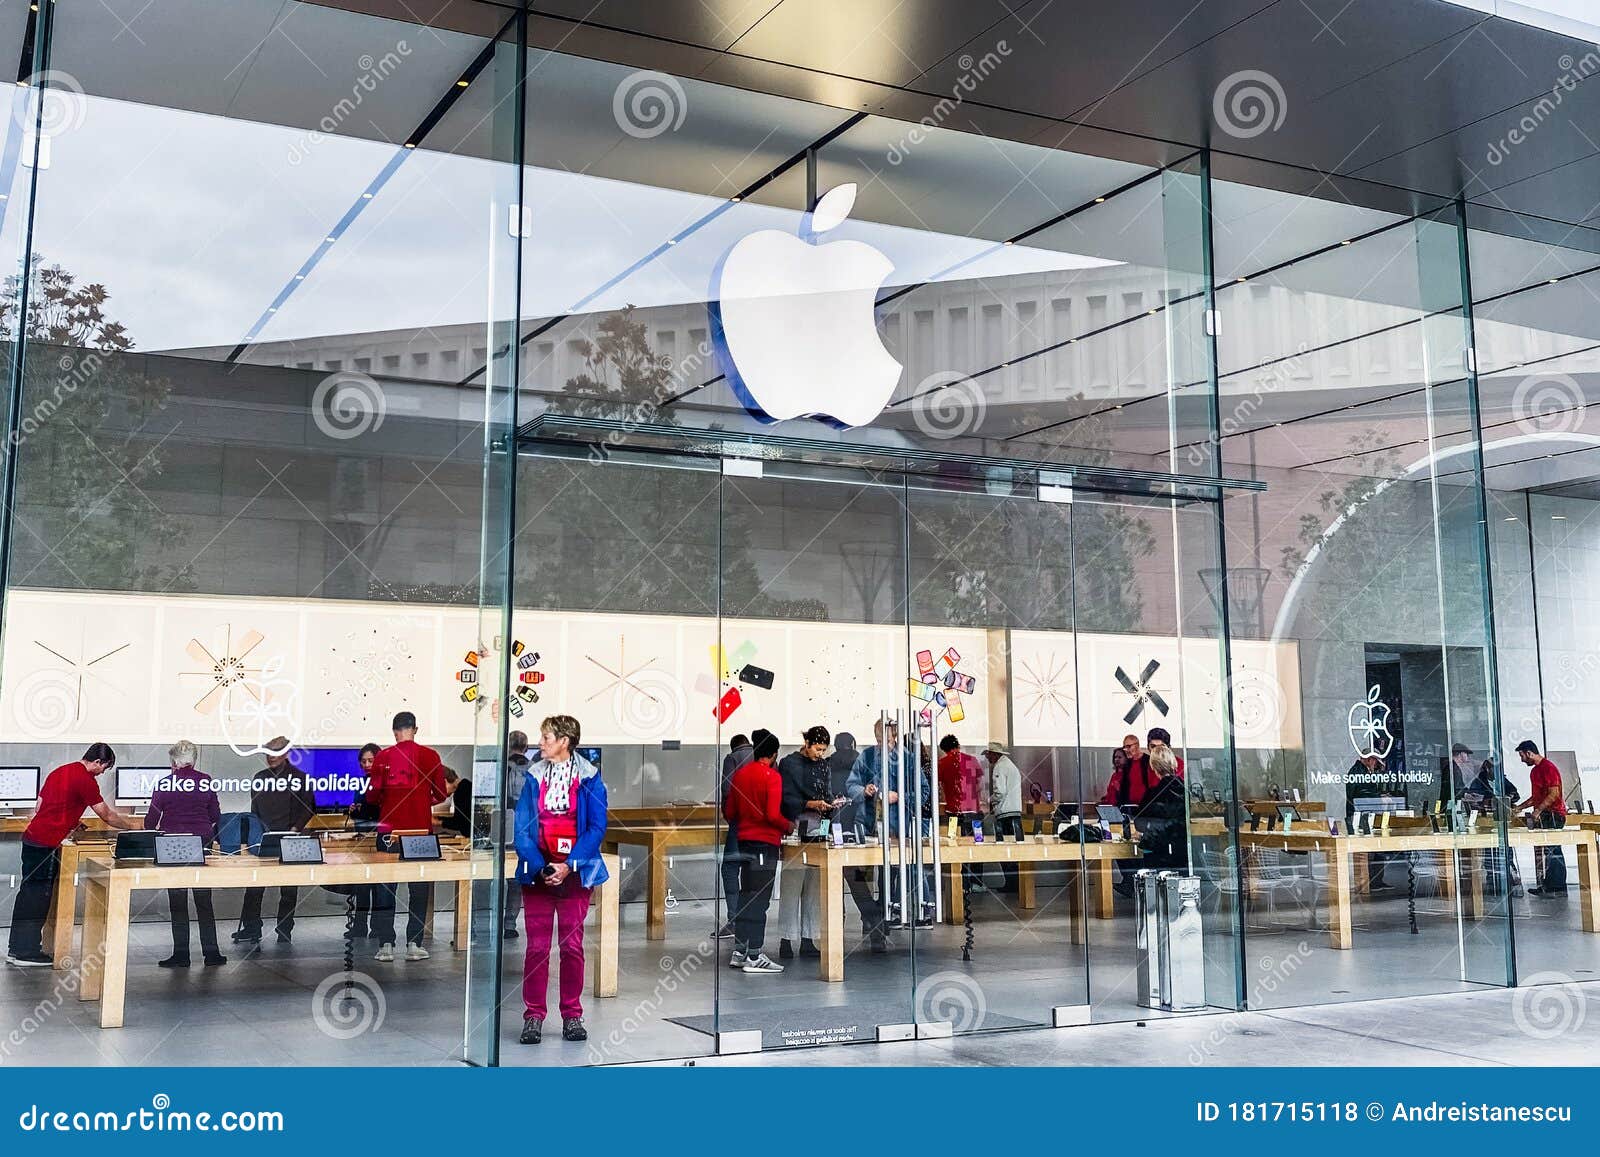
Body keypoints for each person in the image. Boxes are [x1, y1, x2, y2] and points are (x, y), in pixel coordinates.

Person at [513, 714, 609, 1045]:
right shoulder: (532, 778)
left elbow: (597, 827)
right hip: (537, 875)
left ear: (564, 741)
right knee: (537, 948)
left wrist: (569, 865)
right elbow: (522, 828)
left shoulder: (591, 779)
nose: (540, 743)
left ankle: (572, 1015)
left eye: (546, 738)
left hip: (576, 875)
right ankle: (533, 1017)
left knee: (573, 946)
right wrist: (540, 866)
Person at [6, 743, 139, 967]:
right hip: (46, 844)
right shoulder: (85, 781)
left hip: (32, 840)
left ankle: (16, 947)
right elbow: (106, 815)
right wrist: (132, 828)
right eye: (104, 768)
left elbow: (41, 807)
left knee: (27, 894)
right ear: (98, 762)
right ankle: (25, 953)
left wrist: (71, 820)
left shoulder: (60, 771)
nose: (103, 772)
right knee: (39, 897)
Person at [366, 711, 447, 962]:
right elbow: (442, 795)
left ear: (394, 731)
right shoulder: (431, 756)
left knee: (385, 889)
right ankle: (414, 943)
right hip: (421, 834)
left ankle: (386, 944)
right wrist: (423, 801)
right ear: (416, 728)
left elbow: (371, 797)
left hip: (389, 832)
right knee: (419, 889)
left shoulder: (383, 757)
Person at [847, 718, 934, 925]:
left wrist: (900, 797)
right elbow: (851, 785)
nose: (880, 745)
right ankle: (885, 911)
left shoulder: (909, 759)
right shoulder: (865, 756)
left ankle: (909, 911)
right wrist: (863, 791)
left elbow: (924, 791)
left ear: (895, 738)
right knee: (879, 871)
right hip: (871, 825)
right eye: (877, 740)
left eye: (885, 740)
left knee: (906, 868)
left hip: (900, 826)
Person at [147, 740, 224, 968]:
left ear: (173, 762)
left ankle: (181, 955)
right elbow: (215, 814)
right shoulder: (205, 781)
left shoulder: (164, 784)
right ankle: (212, 954)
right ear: (195, 760)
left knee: (178, 901)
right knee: (204, 900)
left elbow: (151, 819)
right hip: (201, 841)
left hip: (173, 846)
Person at [235, 737, 316, 946]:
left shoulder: (300, 778)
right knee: (254, 886)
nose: (270, 756)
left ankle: (285, 930)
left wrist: (294, 829)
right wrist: (256, 833)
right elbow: (255, 811)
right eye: (268, 752)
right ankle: (252, 928)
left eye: (275, 752)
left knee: (288, 888)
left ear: (287, 753)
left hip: (291, 838)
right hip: (263, 838)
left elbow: (308, 808)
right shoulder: (259, 777)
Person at [722, 731, 786, 974]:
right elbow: (772, 814)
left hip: (744, 842)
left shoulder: (739, 775)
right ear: (773, 754)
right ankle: (756, 954)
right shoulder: (772, 777)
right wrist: (787, 825)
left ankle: (740, 951)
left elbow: (730, 811)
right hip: (765, 843)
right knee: (760, 899)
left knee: (746, 895)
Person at [777, 725, 835, 959]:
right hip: (796, 827)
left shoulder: (823, 764)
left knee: (814, 885)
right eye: (818, 749)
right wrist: (811, 804)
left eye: (823, 750)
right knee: (791, 885)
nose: (820, 754)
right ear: (807, 743)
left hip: (820, 827)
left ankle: (809, 937)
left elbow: (828, 791)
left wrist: (830, 804)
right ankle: (786, 938)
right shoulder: (789, 764)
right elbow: (786, 798)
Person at [715, 731, 757, 939]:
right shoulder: (760, 755)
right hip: (760, 825)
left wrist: (729, 816)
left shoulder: (731, 758)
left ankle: (734, 919)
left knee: (730, 869)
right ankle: (750, 921)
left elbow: (727, 789)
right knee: (751, 870)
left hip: (740, 822)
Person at [1516, 740, 1568, 896]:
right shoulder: (1535, 771)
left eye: (1522, 755)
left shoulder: (1548, 768)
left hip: (1554, 815)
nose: (1521, 759)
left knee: (1553, 850)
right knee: (1549, 851)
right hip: (1545, 814)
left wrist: (1537, 811)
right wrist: (1519, 807)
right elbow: (1536, 797)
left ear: (1529, 753)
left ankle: (1557, 887)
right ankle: (1550, 885)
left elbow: (1554, 794)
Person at [937, 734, 985, 890]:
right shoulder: (972, 760)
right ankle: (977, 883)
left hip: (953, 814)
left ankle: (959, 883)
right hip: (975, 813)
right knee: (977, 844)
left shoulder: (942, 763)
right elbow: (980, 785)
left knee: (953, 843)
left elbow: (938, 786)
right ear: (958, 745)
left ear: (944, 749)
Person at [348, 742, 382, 940]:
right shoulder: (361, 783)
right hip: (361, 836)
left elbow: (378, 810)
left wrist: (362, 810)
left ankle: (378, 927)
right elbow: (360, 812)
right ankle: (359, 926)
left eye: (371, 760)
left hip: (378, 837)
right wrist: (353, 811)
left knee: (379, 886)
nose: (367, 764)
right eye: (363, 761)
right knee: (361, 886)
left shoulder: (383, 783)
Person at [1134, 746, 1187, 870]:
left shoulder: (1153, 794)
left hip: (1157, 850)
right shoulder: (1185, 791)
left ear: (1153, 766)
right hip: (1181, 848)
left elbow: (1139, 822)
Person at [502, 730, 532, 940]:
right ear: (526, 748)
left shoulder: (500, 767)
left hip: (500, 826)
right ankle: (509, 924)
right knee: (516, 880)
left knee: (490, 875)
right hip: (525, 828)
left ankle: (480, 925)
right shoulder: (534, 770)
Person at [983, 740, 1024, 894]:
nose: (987, 758)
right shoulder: (1012, 766)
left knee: (1005, 851)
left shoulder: (999, 767)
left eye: (988, 755)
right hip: (1016, 813)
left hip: (1005, 814)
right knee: (1016, 851)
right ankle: (1017, 884)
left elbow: (1000, 792)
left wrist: (989, 801)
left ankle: (1011, 884)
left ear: (994, 754)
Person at [440, 767, 473, 838]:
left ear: (444, 781)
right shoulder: (465, 785)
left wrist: (438, 821)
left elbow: (460, 823)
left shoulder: (461, 791)